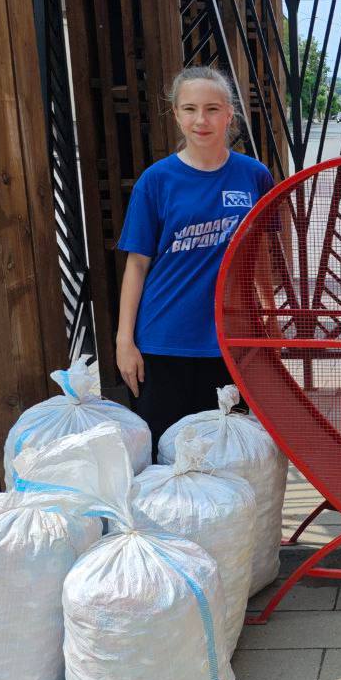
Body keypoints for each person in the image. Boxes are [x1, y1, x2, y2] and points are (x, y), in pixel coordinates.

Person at [116, 66, 274, 454]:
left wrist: (269, 314)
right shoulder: (156, 181)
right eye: (190, 109)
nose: (201, 120)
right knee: (165, 458)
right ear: (176, 114)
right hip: (164, 341)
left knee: (230, 457)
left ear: (229, 114)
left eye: (212, 109)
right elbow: (137, 265)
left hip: (231, 341)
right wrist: (124, 341)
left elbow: (260, 255)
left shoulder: (254, 176)